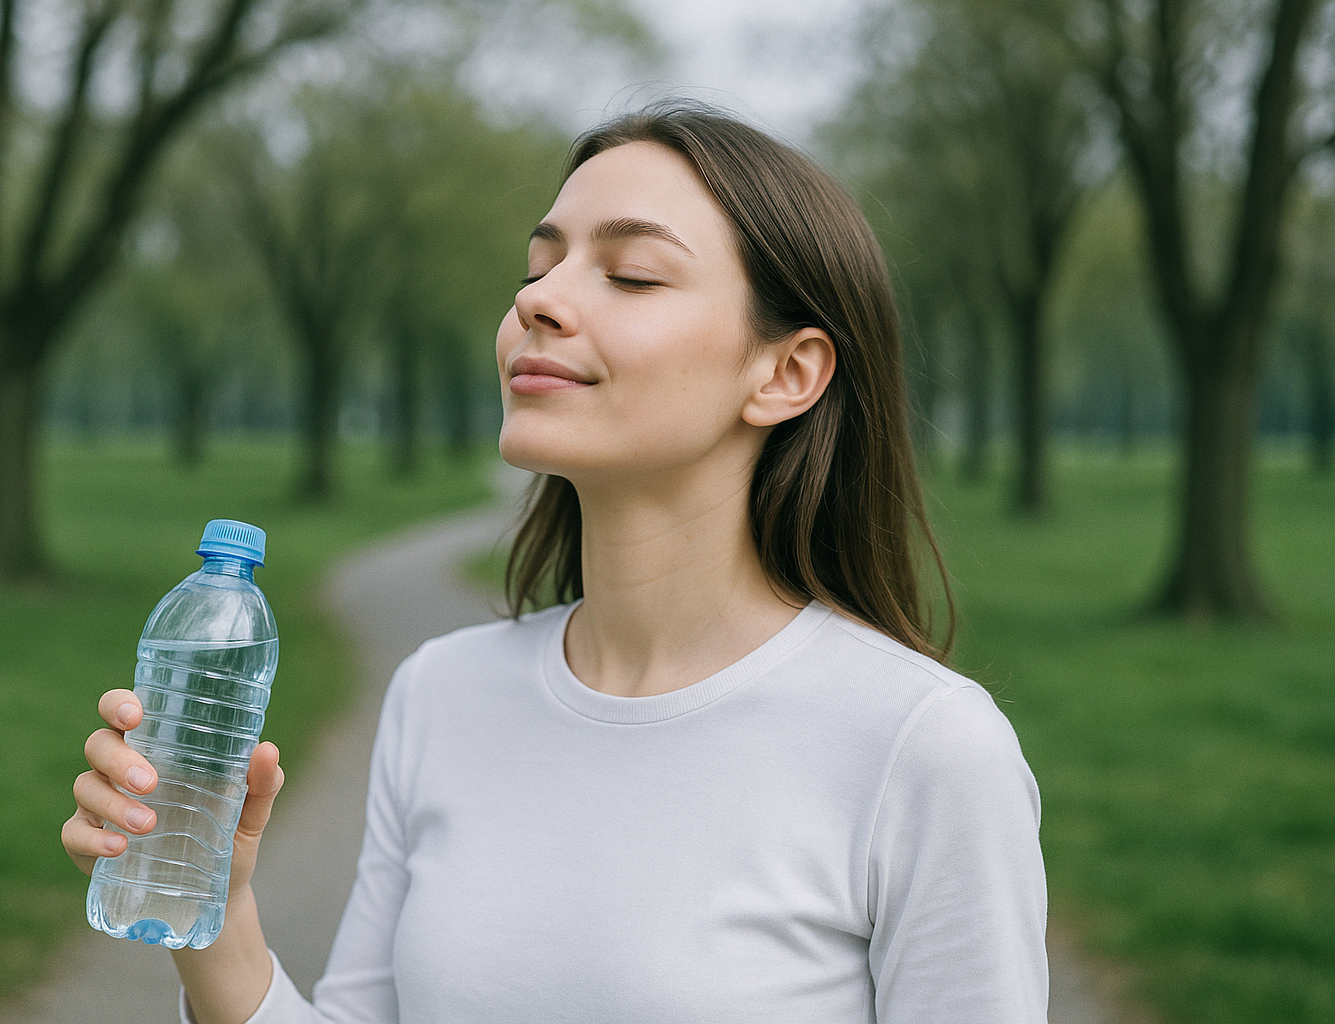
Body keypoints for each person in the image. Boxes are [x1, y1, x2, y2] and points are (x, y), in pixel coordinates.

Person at [64, 102, 1048, 1024]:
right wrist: (216, 910)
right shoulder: (440, 693)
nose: (540, 299)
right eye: (539, 266)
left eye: (629, 275)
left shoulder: (923, 750)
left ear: (785, 372)